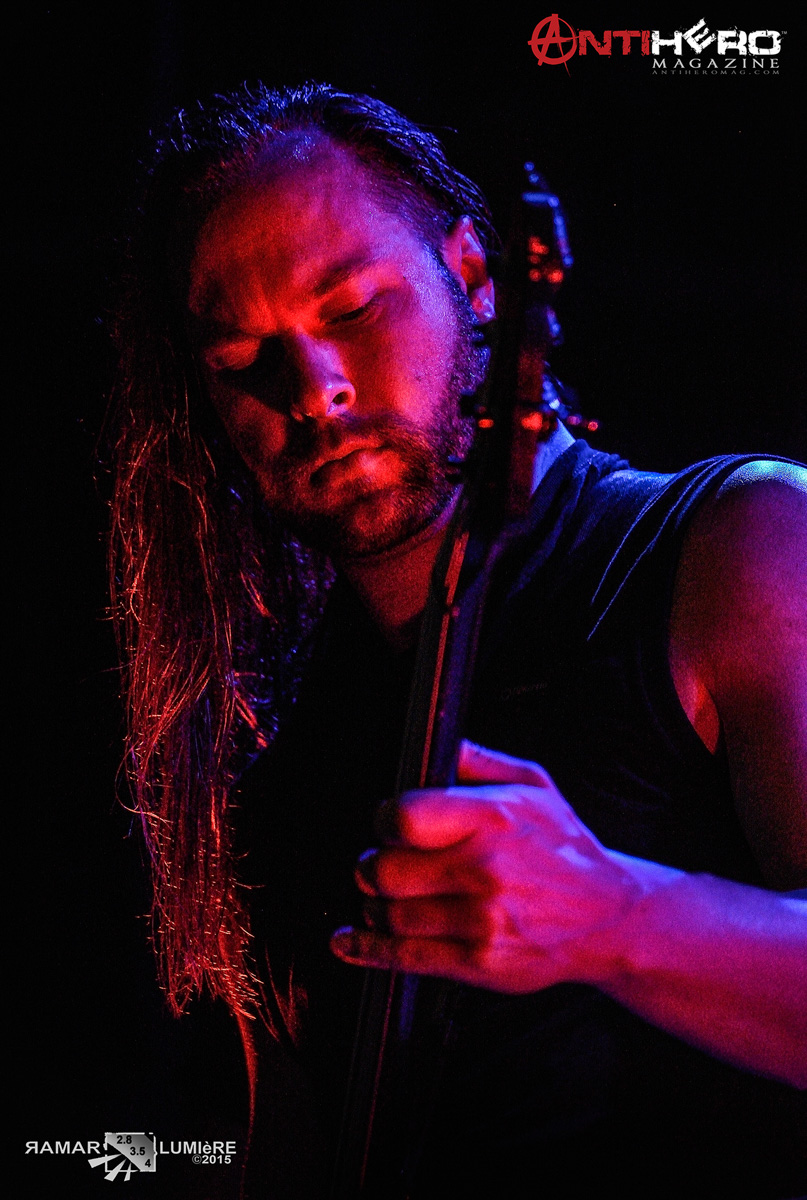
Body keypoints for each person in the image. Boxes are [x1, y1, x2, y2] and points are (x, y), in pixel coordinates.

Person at [108, 82, 806, 1197]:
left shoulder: (742, 542)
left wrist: (617, 917)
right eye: (242, 361)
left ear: (474, 276)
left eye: (352, 308)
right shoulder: (274, 749)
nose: (313, 391)